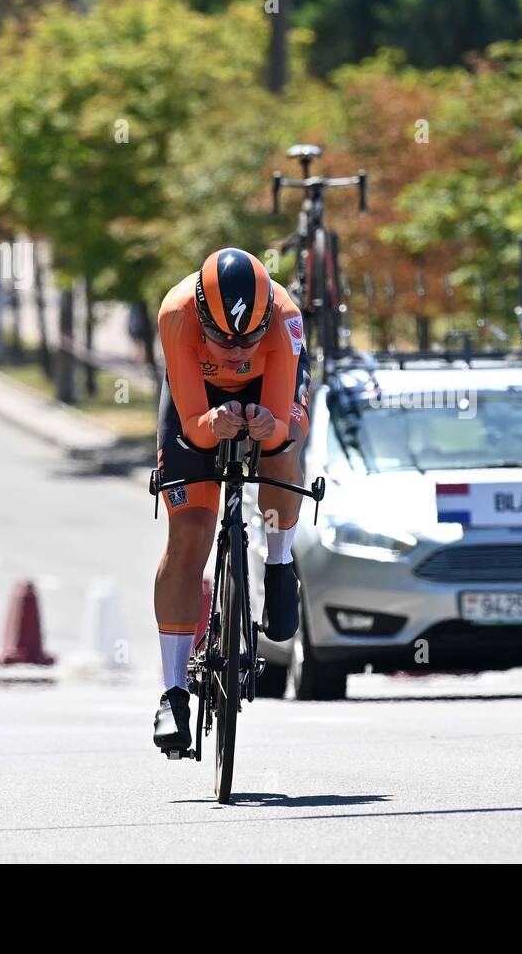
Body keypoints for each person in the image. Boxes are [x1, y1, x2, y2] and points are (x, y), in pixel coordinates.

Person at [151, 247, 312, 752]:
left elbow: (282, 425)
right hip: (198, 397)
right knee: (191, 532)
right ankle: (173, 692)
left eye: (248, 337)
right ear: (201, 316)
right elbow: (197, 432)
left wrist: (271, 427)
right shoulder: (176, 314)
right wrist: (210, 425)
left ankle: (280, 562)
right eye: (221, 337)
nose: (236, 349)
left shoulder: (285, 319)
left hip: (271, 388)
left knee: (281, 451)